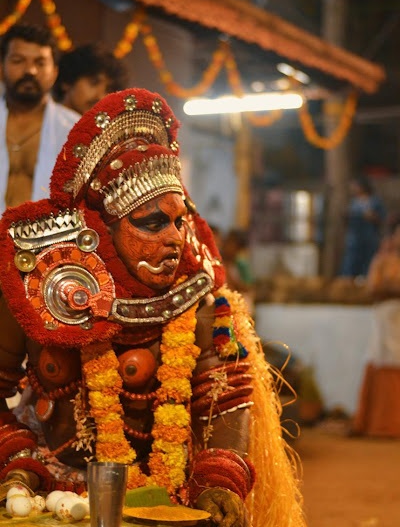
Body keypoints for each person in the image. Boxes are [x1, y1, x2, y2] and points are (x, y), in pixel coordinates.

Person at [0, 88, 306, 526]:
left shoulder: (199, 297)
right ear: (101, 228)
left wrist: (219, 480)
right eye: (153, 223)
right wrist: (17, 459)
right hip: (52, 499)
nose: (175, 238)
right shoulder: (41, 284)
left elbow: (227, 393)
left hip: (169, 500)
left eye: (180, 220)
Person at [0, 23, 80, 213]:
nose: (30, 71)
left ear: (54, 72)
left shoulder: (74, 129)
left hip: (46, 239)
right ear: (2, 67)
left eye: (40, 63)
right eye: (18, 60)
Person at [352, 220, 400, 437]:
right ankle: (381, 425)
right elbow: (374, 288)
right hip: (387, 318)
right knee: (383, 361)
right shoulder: (383, 261)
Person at [52, 43, 127, 115]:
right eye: (94, 83)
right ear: (67, 82)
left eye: (108, 89)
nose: (100, 97)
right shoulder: (45, 121)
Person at [340, 175, 386, 278]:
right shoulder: (354, 202)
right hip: (354, 238)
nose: (353, 188)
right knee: (351, 262)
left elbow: (382, 219)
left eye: (355, 185)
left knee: (367, 263)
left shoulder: (374, 201)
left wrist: (370, 216)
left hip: (369, 238)